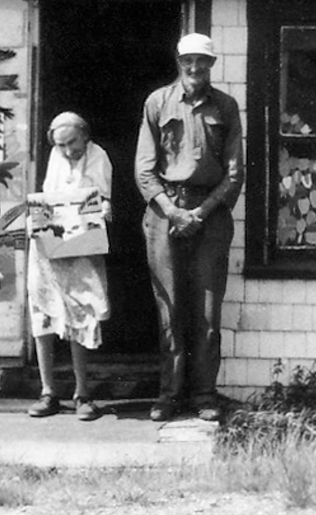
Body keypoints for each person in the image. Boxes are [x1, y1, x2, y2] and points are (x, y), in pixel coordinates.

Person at [135, 32, 244, 423]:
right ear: (179, 63)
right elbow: (144, 170)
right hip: (165, 212)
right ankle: (169, 394)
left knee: (208, 311)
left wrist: (200, 213)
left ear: (212, 65)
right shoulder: (158, 102)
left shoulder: (226, 107)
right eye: (188, 62)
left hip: (210, 215)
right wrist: (172, 210)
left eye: (202, 61)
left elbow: (234, 174)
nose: (195, 68)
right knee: (169, 306)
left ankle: (204, 394)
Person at [27, 111, 112, 422]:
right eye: (60, 145)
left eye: (71, 143)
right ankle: (48, 391)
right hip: (50, 243)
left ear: (85, 135)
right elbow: (49, 196)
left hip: (81, 245)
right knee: (43, 309)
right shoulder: (55, 156)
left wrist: (105, 209)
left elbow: (102, 199)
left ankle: (82, 393)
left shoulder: (98, 156)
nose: (66, 150)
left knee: (80, 312)